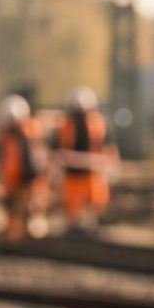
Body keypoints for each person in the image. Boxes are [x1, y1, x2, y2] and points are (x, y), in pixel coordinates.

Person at [59, 87, 113, 228]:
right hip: (73, 180)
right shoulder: (66, 126)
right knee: (74, 217)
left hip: (93, 178)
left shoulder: (99, 124)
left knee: (93, 213)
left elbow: (109, 153)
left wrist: (93, 162)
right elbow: (61, 154)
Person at [0, 94, 45, 241]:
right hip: (14, 180)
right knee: (13, 209)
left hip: (29, 179)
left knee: (31, 209)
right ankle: (13, 236)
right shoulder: (7, 137)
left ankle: (29, 236)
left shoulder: (30, 133)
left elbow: (33, 159)